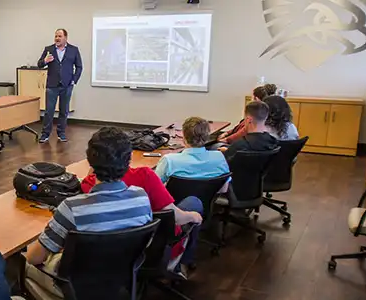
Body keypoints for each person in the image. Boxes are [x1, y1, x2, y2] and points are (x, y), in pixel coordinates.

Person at [23, 127, 154, 299]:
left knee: (19, 262)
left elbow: (34, 258)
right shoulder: (141, 198)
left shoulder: (72, 207)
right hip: (120, 281)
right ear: (128, 160)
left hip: (74, 287)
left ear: (90, 160)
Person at [36, 28, 83, 143]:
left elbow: (79, 67)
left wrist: (74, 80)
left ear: (65, 38)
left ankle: (61, 133)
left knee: (64, 110)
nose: (57, 38)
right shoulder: (49, 49)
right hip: (52, 85)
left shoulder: (74, 50)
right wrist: (45, 61)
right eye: (56, 36)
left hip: (67, 85)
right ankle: (45, 134)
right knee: (49, 111)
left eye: (59, 36)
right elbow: (39, 64)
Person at [154, 117, 231, 181]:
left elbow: (154, 186)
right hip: (208, 198)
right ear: (207, 137)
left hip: (175, 198)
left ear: (184, 137)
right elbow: (225, 187)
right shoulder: (219, 157)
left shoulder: (169, 160)